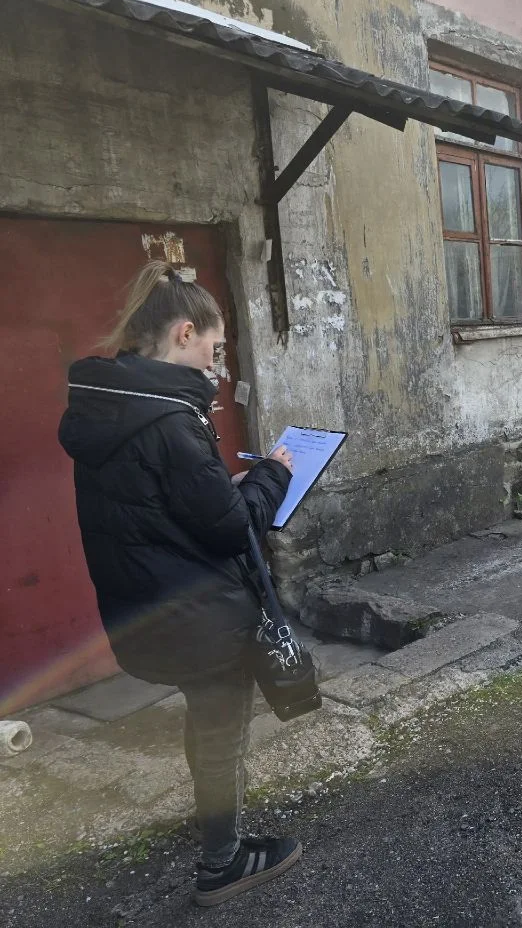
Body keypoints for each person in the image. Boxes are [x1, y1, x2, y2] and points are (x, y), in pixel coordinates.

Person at [58, 261, 299, 906]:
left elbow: (165, 506)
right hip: (202, 616)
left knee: (205, 715)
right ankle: (223, 861)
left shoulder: (109, 405)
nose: (216, 367)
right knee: (222, 728)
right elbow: (230, 529)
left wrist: (227, 486)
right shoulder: (170, 418)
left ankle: (212, 820)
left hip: (149, 607)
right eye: (214, 351)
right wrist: (273, 475)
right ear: (184, 334)